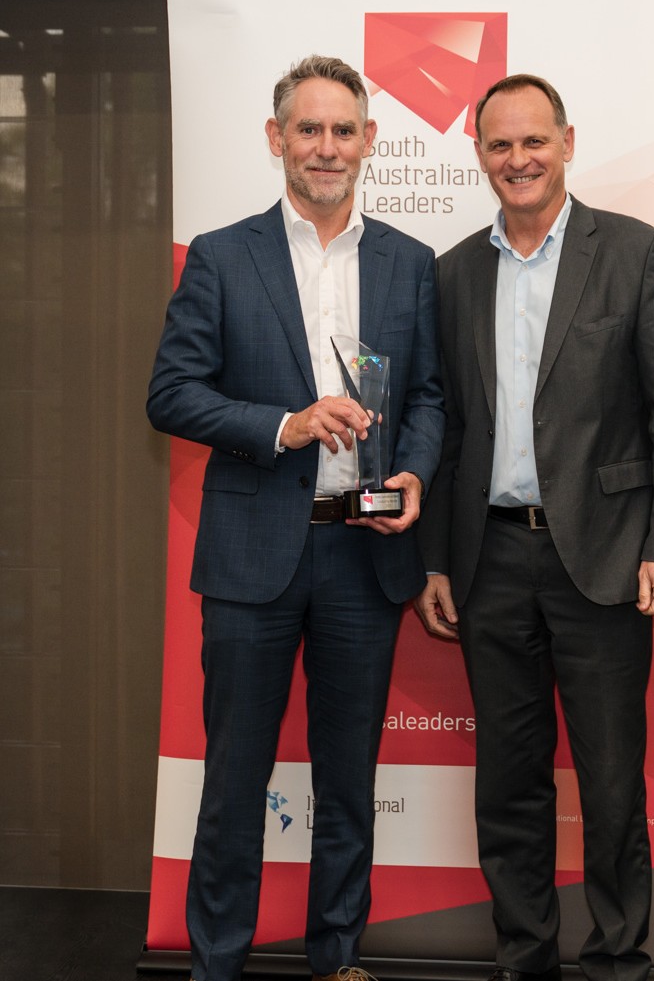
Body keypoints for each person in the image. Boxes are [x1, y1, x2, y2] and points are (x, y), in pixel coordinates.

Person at [147, 55, 444, 981]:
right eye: (308, 129)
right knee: (235, 779)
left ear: (369, 141)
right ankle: (217, 964)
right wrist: (287, 424)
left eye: (343, 129)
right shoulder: (220, 255)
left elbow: (429, 397)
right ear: (276, 138)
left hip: (365, 553)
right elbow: (171, 393)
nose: (326, 147)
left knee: (348, 780)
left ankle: (336, 958)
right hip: (252, 555)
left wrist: (414, 471)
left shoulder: (410, 262)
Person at [414, 74, 654, 981]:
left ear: (567, 143)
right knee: (509, 780)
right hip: (489, 559)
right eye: (500, 145)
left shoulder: (635, 252)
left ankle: (618, 960)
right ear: (479, 154)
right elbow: (448, 428)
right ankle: (524, 956)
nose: (519, 159)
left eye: (534, 141)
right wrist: (436, 560)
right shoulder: (453, 272)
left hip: (606, 557)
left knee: (611, 783)